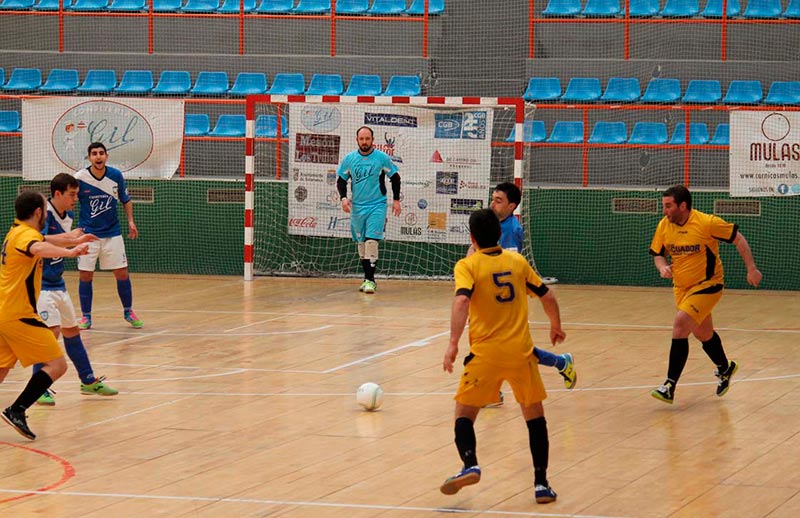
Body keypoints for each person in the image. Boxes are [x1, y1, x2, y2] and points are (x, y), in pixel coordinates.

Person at [441, 208, 565, 504]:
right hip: (521, 353)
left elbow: (461, 301)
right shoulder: (517, 261)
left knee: (464, 415)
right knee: (535, 418)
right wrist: (556, 325)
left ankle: (470, 463)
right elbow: (547, 295)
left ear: (472, 238)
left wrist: (453, 343)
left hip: (485, 355)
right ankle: (541, 484)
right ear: (500, 234)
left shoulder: (468, 265)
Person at [649, 185, 762, 404]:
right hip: (682, 288)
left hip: (708, 284)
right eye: (664, 206)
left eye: (668, 206)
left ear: (683, 205)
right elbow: (657, 254)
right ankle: (725, 368)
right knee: (702, 333)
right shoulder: (664, 225)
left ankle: (669, 385)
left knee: (680, 324)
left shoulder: (706, 223)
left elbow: (738, 238)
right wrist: (662, 267)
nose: (665, 211)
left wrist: (751, 268)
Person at [1, 191, 91, 440]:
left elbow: (45, 239)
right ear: (39, 212)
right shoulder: (27, 237)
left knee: (0, 370)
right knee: (57, 365)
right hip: (19, 314)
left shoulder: (15, 231)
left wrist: (71, 237)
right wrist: (72, 252)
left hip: (5, 311)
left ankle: (16, 409)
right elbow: (39, 246)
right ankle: (16, 409)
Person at [35, 173, 119, 406]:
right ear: (58, 194)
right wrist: (71, 240)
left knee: (72, 332)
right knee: (49, 334)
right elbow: (38, 242)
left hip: (58, 283)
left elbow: (64, 240)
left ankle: (88, 380)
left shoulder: (69, 214)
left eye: (77, 193)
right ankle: (39, 387)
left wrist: (74, 240)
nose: (76, 198)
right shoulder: (43, 214)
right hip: (40, 285)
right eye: (72, 194)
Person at [489, 182, 576, 392]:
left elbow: (506, 266)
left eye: (498, 201)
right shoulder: (491, 223)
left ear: (512, 206)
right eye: (492, 199)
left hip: (506, 299)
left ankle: (560, 362)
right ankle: (561, 363)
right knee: (503, 347)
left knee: (511, 349)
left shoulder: (511, 230)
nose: (492, 204)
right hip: (492, 296)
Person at [74, 142, 142, 329]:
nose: (98, 156)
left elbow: (126, 200)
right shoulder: (80, 177)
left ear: (106, 156)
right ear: (89, 157)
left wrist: (130, 221)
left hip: (112, 233)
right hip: (88, 235)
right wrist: (73, 228)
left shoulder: (115, 175)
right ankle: (86, 316)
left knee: (122, 273)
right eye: (94, 153)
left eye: (101, 153)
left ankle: (128, 311)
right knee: (86, 275)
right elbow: (71, 201)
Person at [336, 126, 401, 294]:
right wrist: (343, 198)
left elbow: (395, 177)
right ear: (357, 140)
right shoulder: (350, 159)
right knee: (362, 243)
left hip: (377, 205)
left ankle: (371, 281)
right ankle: (367, 278)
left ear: (372, 139)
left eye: (367, 138)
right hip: (357, 207)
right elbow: (341, 181)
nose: (364, 142)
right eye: (361, 139)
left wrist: (395, 200)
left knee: (372, 241)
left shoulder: (382, 158)